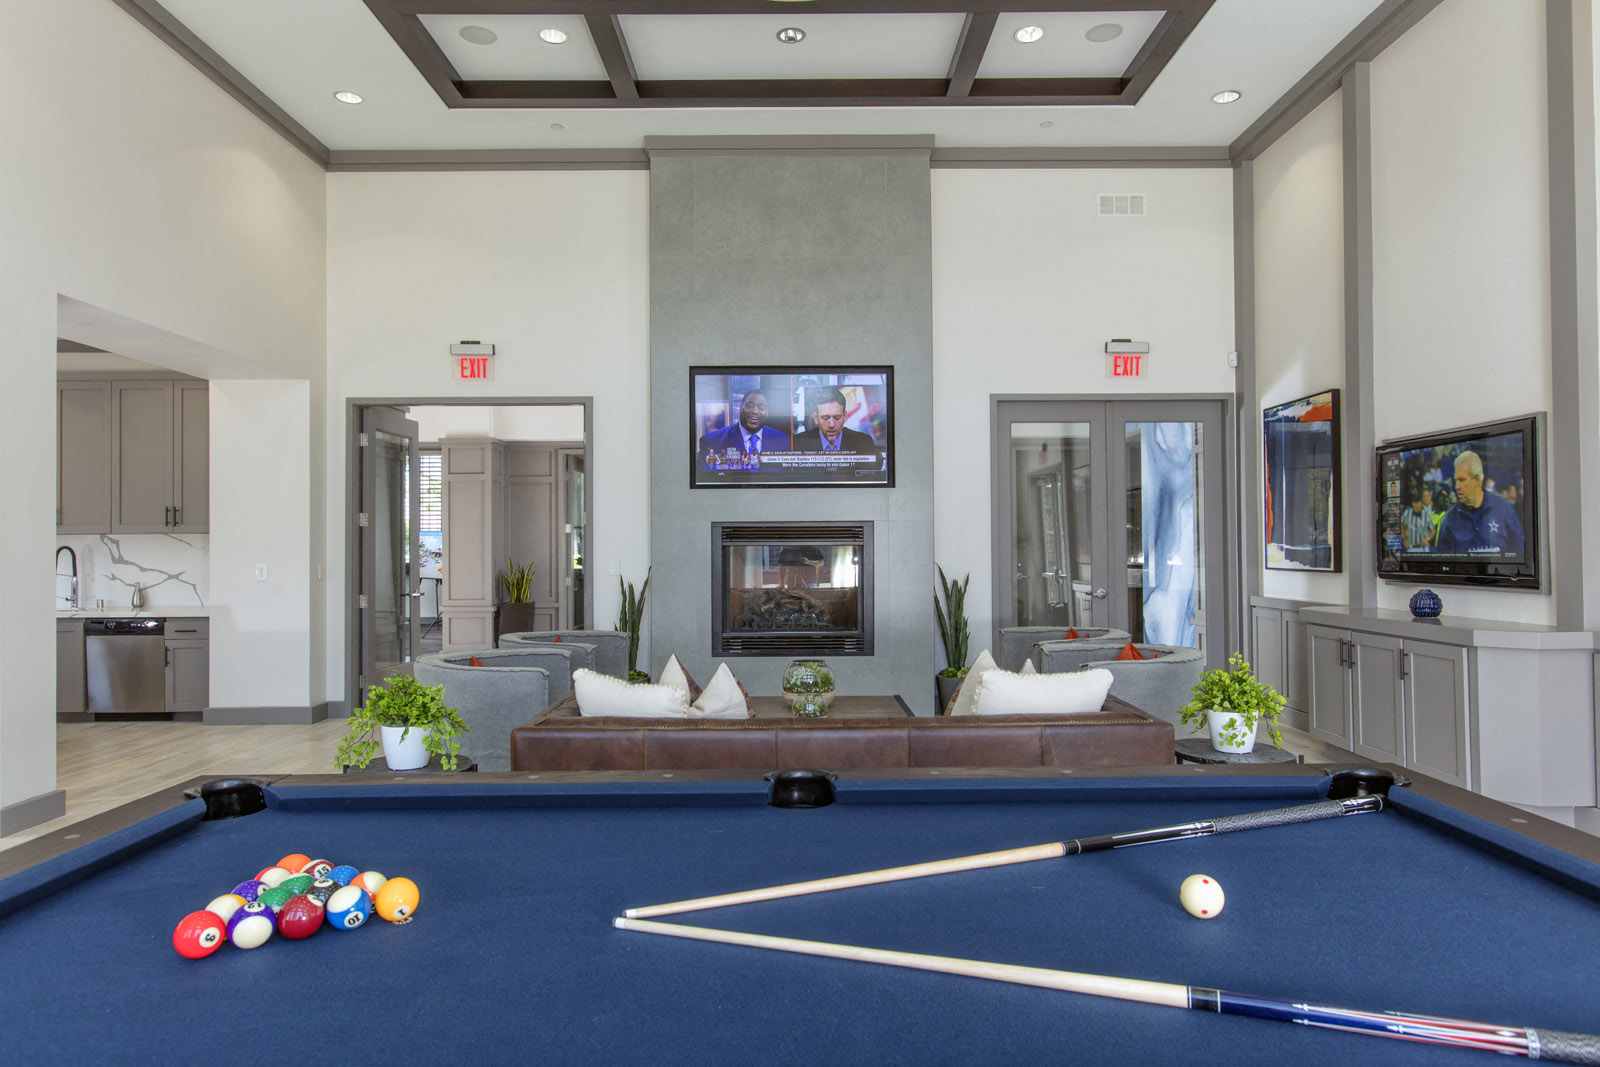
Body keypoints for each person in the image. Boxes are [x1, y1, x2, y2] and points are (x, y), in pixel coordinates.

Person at [1435, 450, 1524, 555]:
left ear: (1477, 479)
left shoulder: (1503, 507)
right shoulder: (1450, 518)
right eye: (1456, 480)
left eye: (1462, 480)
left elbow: (1520, 551)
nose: (1457, 487)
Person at [792, 387, 880, 459]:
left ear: (845, 417)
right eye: (825, 418)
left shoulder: (863, 442)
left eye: (837, 417)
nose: (831, 425)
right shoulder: (797, 443)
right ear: (816, 418)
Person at [699, 389, 791, 457]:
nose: (755, 411)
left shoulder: (784, 441)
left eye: (761, 407)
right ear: (740, 408)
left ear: (767, 412)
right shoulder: (711, 441)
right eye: (749, 406)